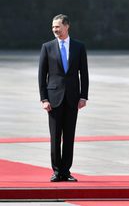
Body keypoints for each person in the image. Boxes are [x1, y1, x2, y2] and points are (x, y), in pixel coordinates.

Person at [38, 14, 89, 182]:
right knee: (55, 137)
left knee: (69, 136)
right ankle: (56, 171)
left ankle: (66, 171)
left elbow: (84, 74)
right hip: (53, 99)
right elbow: (42, 75)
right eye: (53, 27)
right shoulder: (47, 47)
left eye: (58, 27)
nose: (55, 30)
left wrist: (83, 96)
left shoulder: (79, 47)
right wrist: (44, 99)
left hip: (73, 99)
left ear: (67, 26)